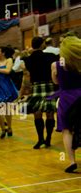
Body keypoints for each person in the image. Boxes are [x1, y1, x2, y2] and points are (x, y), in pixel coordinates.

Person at [21, 36, 58, 149]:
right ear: (42, 44)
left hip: (36, 87)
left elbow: (26, 77)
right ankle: (48, 138)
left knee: (37, 113)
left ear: (32, 45)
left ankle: (40, 138)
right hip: (50, 86)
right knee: (50, 113)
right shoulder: (51, 56)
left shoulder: (27, 59)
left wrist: (24, 91)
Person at [51, 36, 81, 173]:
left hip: (67, 98)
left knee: (67, 129)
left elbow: (56, 82)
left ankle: (71, 161)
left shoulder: (55, 65)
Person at [0, 46, 19, 138]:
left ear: (3, 53)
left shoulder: (9, 60)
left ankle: (10, 127)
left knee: (7, 108)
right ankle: (3, 129)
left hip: (6, 85)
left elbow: (8, 71)